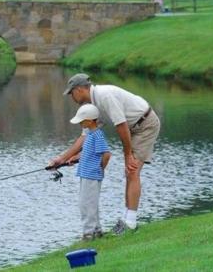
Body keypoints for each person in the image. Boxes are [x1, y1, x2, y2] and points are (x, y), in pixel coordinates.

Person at [49, 73, 160, 235]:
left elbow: (121, 125)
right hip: (132, 127)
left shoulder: (104, 96)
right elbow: (84, 137)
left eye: (71, 93)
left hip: (145, 124)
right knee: (129, 172)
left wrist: (127, 154)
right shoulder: (91, 109)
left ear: (79, 90)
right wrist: (61, 159)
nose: (71, 97)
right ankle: (127, 219)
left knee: (132, 170)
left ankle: (130, 222)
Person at [68, 103, 111, 241]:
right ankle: (97, 231)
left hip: (92, 175)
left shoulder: (97, 135)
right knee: (87, 203)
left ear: (90, 120)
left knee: (87, 204)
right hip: (85, 174)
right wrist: (74, 158)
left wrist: (100, 168)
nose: (80, 122)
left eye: (82, 120)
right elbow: (87, 154)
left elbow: (106, 154)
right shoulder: (89, 134)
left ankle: (88, 234)